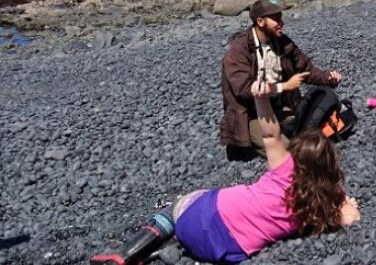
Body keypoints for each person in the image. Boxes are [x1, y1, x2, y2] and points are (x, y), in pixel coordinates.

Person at [92, 82, 360, 265]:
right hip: (225, 251)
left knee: (181, 205)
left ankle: (127, 253)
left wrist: (260, 98)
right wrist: (346, 209)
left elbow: (269, 133)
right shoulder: (319, 211)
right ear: (330, 168)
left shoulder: (286, 170)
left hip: (202, 217)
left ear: (297, 157)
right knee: (199, 214)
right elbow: (349, 217)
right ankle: (166, 249)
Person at [220, 0, 343, 161]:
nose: (281, 23)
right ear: (260, 21)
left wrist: (328, 78)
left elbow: (306, 69)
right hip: (251, 114)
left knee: (320, 131)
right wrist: (284, 86)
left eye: (281, 17)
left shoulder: (282, 43)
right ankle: (245, 142)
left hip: (280, 106)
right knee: (289, 155)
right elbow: (244, 89)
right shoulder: (239, 50)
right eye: (276, 19)